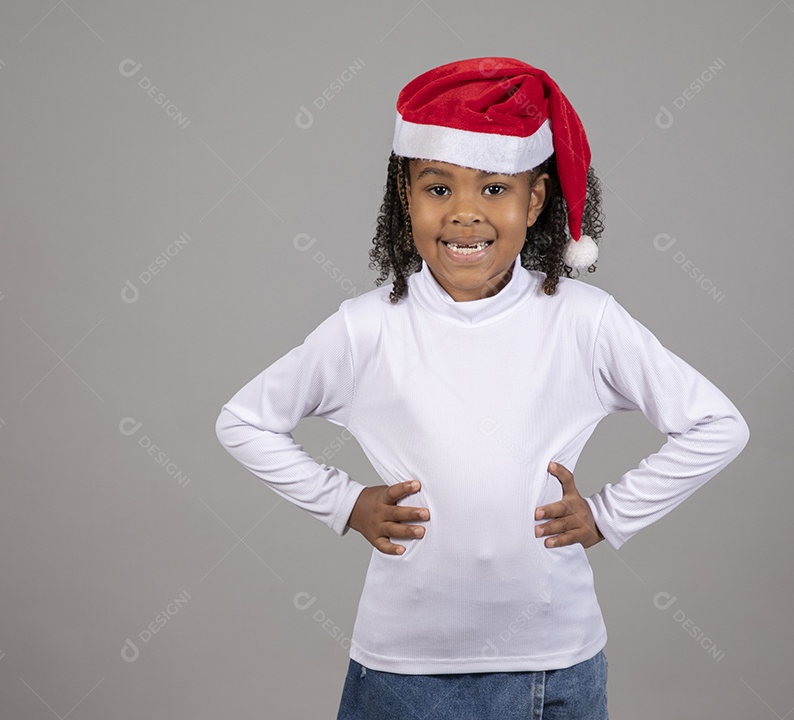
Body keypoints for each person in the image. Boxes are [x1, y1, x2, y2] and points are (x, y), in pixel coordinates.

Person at [215, 56, 750, 720]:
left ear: (535, 201)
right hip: (404, 671)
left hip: (555, 663)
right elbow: (244, 421)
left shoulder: (584, 321)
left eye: (494, 189)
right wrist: (345, 503)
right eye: (438, 189)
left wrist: (609, 514)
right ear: (403, 198)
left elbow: (717, 425)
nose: (465, 214)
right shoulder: (367, 328)